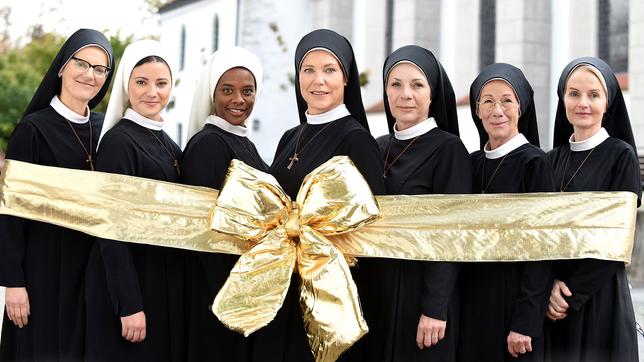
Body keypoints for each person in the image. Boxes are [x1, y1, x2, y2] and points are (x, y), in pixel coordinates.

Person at [267, 28, 386, 361]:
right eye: (309, 70)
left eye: (329, 70)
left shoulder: (356, 140)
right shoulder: (290, 136)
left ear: (345, 79)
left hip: (331, 295)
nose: (318, 80)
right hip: (285, 284)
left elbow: (371, 228)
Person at [0, 29, 114, 361]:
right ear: (63, 66)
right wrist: (13, 283)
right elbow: (11, 213)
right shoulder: (32, 131)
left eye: (99, 69)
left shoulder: (107, 129)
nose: (89, 75)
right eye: (82, 63)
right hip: (42, 275)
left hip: (92, 275)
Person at [84, 39, 185, 362]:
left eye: (161, 83)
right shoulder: (118, 142)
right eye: (141, 82)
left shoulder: (168, 142)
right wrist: (129, 305)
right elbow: (110, 229)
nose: (151, 92)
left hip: (161, 285)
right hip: (131, 293)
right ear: (126, 85)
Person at [375, 45, 471, 362]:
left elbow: (451, 233)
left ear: (432, 94)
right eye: (396, 85)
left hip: (424, 299)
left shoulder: (448, 150)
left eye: (417, 85)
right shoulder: (376, 147)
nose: (406, 95)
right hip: (381, 292)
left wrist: (435, 308)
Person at [545, 57, 640, 362]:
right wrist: (550, 285)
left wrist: (568, 293)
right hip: (554, 301)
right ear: (563, 100)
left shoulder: (621, 156)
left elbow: (617, 236)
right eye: (573, 94)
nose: (582, 102)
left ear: (607, 102)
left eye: (593, 95)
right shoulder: (550, 159)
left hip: (600, 297)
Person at [458, 63, 555, 361]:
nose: (496, 110)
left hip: (514, 304)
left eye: (506, 101)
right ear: (477, 110)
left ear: (521, 107)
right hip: (471, 302)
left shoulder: (535, 163)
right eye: (487, 101)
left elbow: (543, 246)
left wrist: (526, 321)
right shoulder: (472, 163)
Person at [181, 46, 267, 362]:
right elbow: (206, 233)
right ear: (212, 93)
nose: (238, 100)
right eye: (227, 90)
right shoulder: (207, 145)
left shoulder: (245, 142)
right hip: (219, 295)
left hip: (246, 288)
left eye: (248, 91)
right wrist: (236, 297)